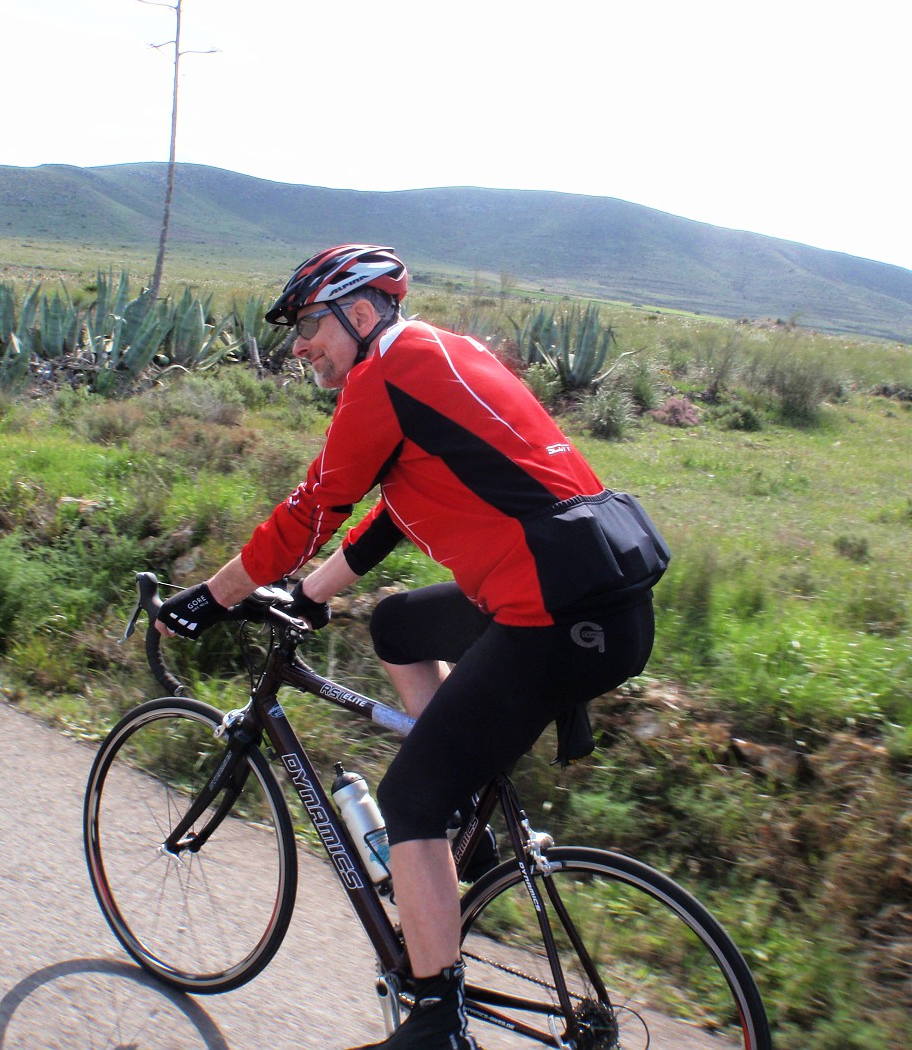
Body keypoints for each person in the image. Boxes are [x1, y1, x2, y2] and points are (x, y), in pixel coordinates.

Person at [155, 244, 668, 1050]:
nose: (298, 347)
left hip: (555, 612)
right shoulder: (439, 354)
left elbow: (312, 508)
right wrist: (311, 593)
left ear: (361, 315)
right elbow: (393, 509)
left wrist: (210, 600)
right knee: (397, 626)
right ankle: (462, 810)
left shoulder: (385, 377)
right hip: (592, 592)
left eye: (309, 327)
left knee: (407, 805)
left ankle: (434, 1017)